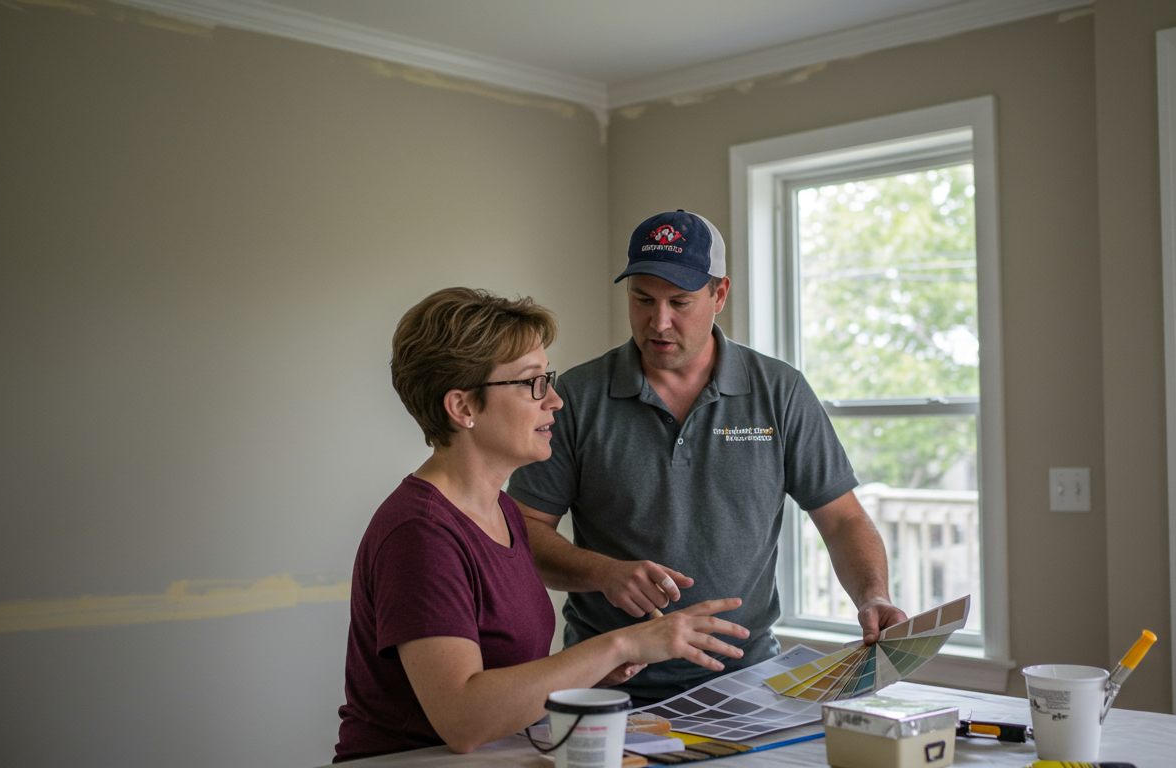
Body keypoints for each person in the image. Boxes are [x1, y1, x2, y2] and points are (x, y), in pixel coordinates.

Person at [507, 210, 908, 704]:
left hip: (749, 683)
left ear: (719, 295)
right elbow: (522, 532)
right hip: (607, 686)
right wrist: (603, 572)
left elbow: (843, 519)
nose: (659, 322)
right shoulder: (575, 397)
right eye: (642, 300)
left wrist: (874, 596)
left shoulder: (779, 392)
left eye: (680, 302)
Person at [335, 287, 749, 761]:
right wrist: (619, 644)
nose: (554, 400)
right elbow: (464, 718)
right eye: (533, 383)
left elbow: (502, 678)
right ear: (463, 407)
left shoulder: (504, 512)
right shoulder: (420, 535)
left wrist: (589, 671)